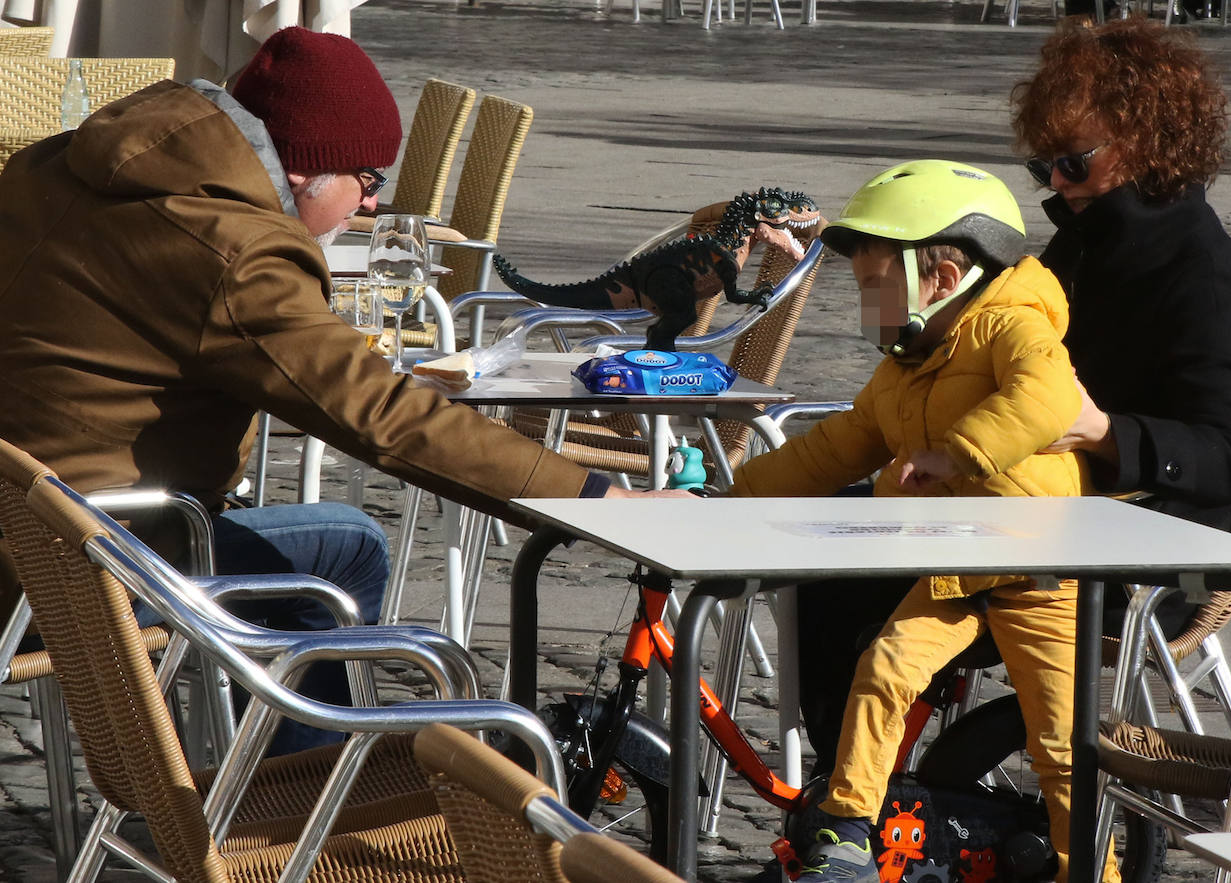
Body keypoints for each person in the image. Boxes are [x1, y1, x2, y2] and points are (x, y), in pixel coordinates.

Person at [0, 27, 682, 756]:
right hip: (69, 562)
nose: (367, 204)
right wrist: (591, 497)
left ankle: (268, 773)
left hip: (30, 520)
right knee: (346, 544)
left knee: (299, 542)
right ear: (306, 173)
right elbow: (383, 415)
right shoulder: (237, 252)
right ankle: (305, 798)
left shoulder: (58, 162)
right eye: (367, 178)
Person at [729, 159, 1094, 883]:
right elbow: (840, 444)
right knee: (884, 667)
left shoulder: (1013, 324)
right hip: (957, 561)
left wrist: (957, 453)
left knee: (1059, 744)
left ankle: (1092, 869)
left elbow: (1048, 399)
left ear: (943, 275)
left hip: (1035, 562)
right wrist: (737, 496)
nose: (865, 303)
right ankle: (847, 829)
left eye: (875, 284)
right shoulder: (906, 361)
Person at [1013, 16, 1231, 636]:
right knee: (847, 529)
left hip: (1147, 559)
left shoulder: (1206, 275)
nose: (1054, 181)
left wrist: (1102, 433)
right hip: (1054, 514)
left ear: (1145, 142)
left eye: (1073, 162)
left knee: (861, 581)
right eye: (1044, 164)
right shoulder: (1086, 241)